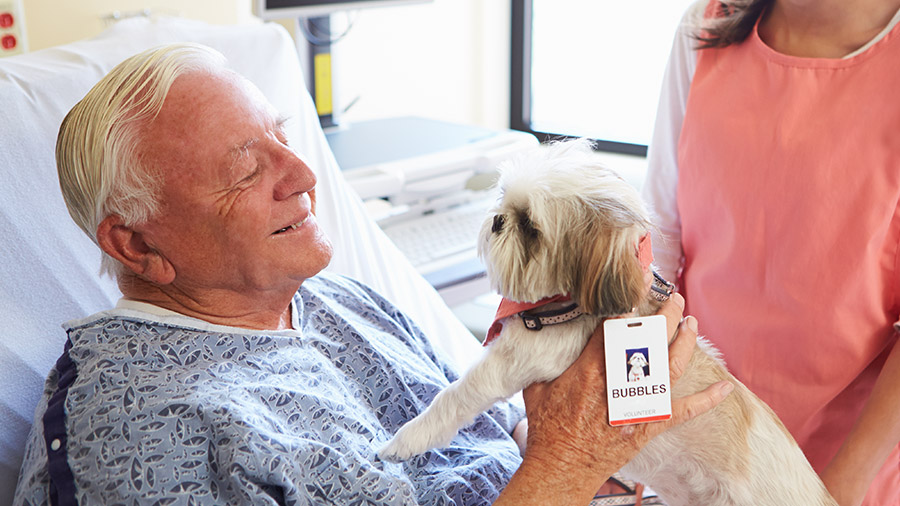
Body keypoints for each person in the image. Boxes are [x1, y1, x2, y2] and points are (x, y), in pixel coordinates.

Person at [14, 43, 730, 505]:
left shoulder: (345, 305)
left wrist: (587, 448)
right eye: (244, 170)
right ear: (136, 245)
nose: (301, 176)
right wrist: (570, 461)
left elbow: (498, 443)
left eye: (285, 141)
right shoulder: (130, 426)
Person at [643, 0, 900, 505]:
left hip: (843, 469)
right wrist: (631, 425)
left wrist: (838, 491)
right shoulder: (707, 24)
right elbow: (658, 247)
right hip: (696, 454)